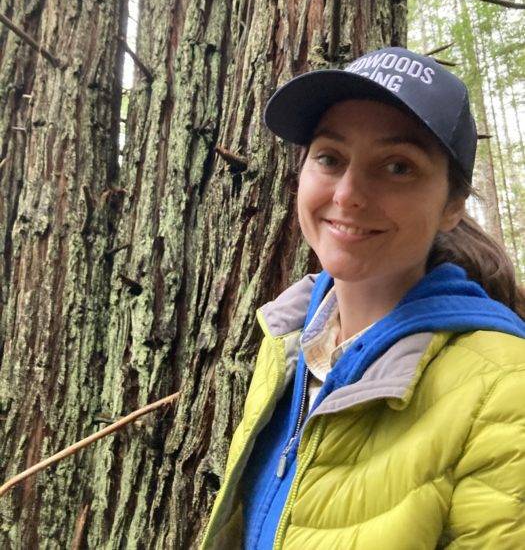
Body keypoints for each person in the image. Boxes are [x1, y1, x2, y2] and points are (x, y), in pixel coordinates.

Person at [200, 46, 525, 549]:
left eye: (398, 166)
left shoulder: (504, 389)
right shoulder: (288, 342)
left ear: (452, 207)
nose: (348, 193)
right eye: (329, 158)